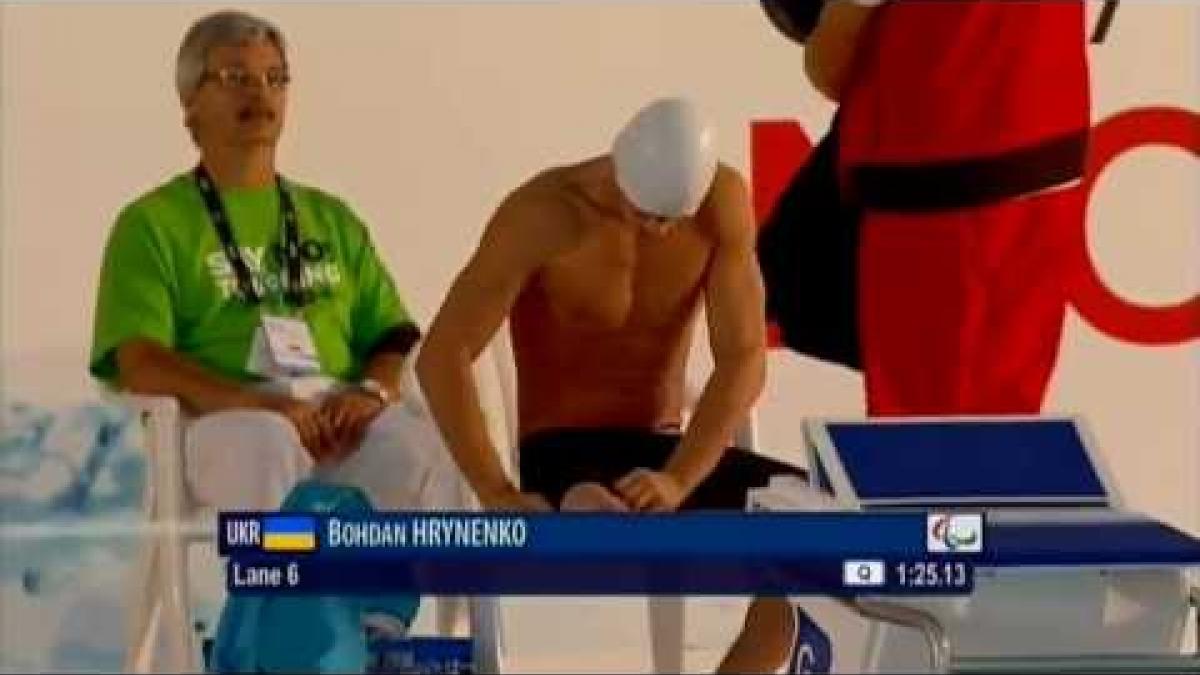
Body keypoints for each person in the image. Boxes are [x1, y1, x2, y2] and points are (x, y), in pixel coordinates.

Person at [416, 97, 807, 672]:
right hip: (562, 451)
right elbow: (442, 355)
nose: (663, 230)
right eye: (650, 214)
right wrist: (496, 490)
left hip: (666, 458)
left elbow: (744, 356)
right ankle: (585, 503)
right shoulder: (543, 214)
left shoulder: (722, 204)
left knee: (812, 525)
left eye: (675, 218)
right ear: (619, 173)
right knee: (593, 504)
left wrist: (679, 477)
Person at [90, 9, 461, 516]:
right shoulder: (151, 223)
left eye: (274, 78)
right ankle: (278, 587)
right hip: (224, 421)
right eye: (236, 78)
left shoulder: (331, 217)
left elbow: (393, 334)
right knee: (267, 442)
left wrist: (370, 392)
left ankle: (371, 595)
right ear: (190, 102)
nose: (260, 94)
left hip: (334, 411)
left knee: (418, 444)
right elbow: (140, 362)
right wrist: (254, 402)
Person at [804, 0, 1092, 416]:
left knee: (923, 429)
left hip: (938, 179)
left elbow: (834, 59)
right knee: (1004, 415)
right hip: (1044, 155)